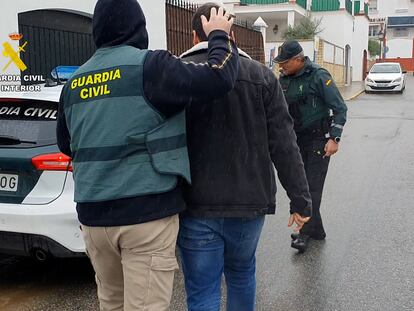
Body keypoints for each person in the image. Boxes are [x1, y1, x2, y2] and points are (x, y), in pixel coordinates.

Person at [56, 0, 239, 310]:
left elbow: (65, 144)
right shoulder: (151, 67)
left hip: (93, 220)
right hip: (145, 217)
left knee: (112, 304)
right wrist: (219, 35)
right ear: (138, 27)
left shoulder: (74, 83)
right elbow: (219, 77)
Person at [177, 3, 312, 311]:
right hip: (249, 205)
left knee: (202, 291)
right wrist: (300, 200)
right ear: (231, 35)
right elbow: (284, 143)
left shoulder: (178, 74)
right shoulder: (262, 77)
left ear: (192, 35)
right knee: (241, 275)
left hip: (196, 205)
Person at [274, 40, 347, 253]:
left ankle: (305, 232)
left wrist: (335, 138)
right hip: (296, 140)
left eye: (285, 62)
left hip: (318, 140)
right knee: (300, 184)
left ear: (299, 59)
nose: (281, 66)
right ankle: (318, 230)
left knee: (311, 187)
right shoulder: (284, 79)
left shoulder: (319, 76)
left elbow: (340, 108)